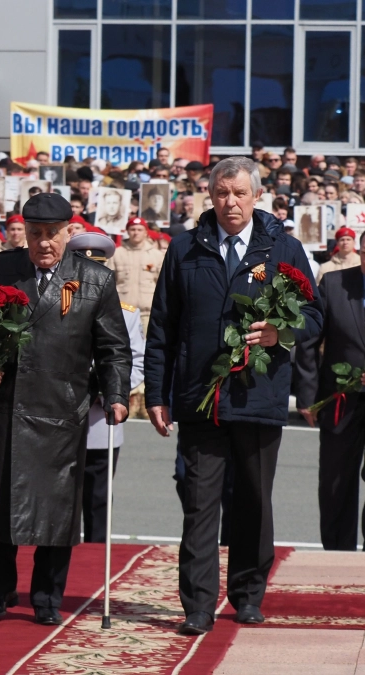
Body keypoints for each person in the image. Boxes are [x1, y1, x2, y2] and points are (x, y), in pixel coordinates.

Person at [145, 157, 323, 635]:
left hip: (258, 398)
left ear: (256, 195)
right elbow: (162, 326)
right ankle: (197, 606)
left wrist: (279, 332)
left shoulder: (282, 248)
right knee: (199, 504)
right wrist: (156, 394)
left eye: (239, 193)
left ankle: (247, 594)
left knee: (253, 501)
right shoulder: (185, 248)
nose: (231, 203)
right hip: (201, 398)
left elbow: (314, 317)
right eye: (222, 193)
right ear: (210, 195)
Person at [0, 192, 131, 626]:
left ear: (69, 232)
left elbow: (113, 347)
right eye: (35, 234)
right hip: (7, 407)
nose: (43, 243)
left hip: (61, 411)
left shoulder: (94, 279)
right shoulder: (0, 269)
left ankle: (46, 599)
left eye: (52, 235)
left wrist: (116, 394)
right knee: (2, 508)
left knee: (56, 514)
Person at [66, 230, 145, 542]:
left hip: (102, 418)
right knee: (63, 502)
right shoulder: (60, 305)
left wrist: (113, 391)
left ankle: (96, 565)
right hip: (63, 414)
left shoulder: (126, 315)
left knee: (99, 502)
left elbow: (136, 362)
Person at [296, 234, 365, 551]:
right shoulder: (334, 284)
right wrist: (308, 396)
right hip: (340, 399)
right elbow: (308, 342)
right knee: (336, 481)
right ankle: (338, 551)